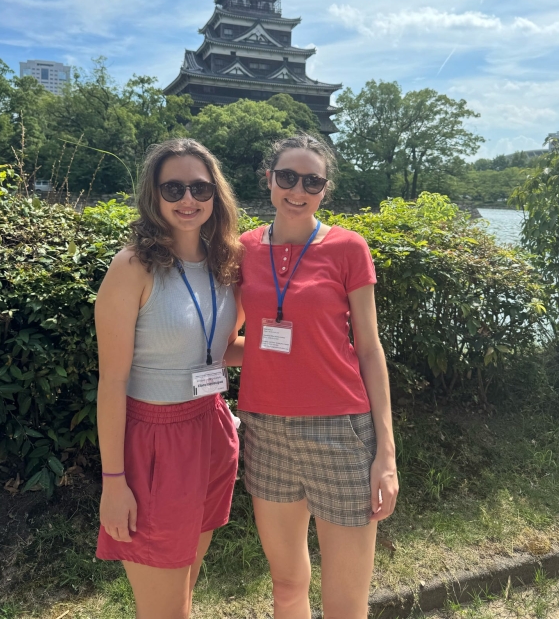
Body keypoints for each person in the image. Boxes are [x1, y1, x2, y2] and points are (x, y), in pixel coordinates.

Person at [235, 133, 399, 619]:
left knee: (345, 605)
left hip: (341, 432)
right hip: (265, 430)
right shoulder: (243, 249)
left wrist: (385, 455)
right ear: (269, 180)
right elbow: (231, 340)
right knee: (286, 586)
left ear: (325, 189)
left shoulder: (348, 248)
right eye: (287, 177)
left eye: (312, 181)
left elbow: (369, 350)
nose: (297, 189)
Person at [94, 138, 246, 619]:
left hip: (212, 430)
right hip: (154, 445)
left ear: (215, 194)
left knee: (184, 590)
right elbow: (112, 382)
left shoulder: (228, 264)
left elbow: (220, 350)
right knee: (165, 610)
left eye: (199, 187)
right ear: (154, 195)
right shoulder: (132, 267)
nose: (188, 199)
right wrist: (113, 482)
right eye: (173, 187)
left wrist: (307, 352)